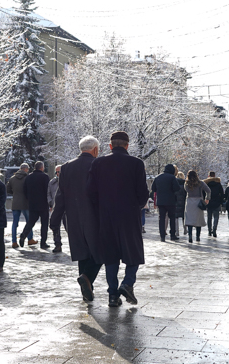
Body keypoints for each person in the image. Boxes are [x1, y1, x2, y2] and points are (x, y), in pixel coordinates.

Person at [87, 131, 149, 307]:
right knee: (134, 253)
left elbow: (90, 191)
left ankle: (113, 295)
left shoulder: (98, 163)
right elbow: (143, 193)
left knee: (111, 257)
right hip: (129, 215)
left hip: (106, 216)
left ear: (110, 145)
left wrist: (101, 207)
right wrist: (135, 206)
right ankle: (128, 283)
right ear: (127, 145)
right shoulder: (136, 164)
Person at [50, 136, 104, 303]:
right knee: (101, 252)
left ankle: (86, 290)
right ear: (95, 149)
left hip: (72, 218)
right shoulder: (99, 165)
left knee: (82, 253)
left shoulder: (66, 167)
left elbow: (61, 196)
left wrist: (55, 219)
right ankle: (87, 277)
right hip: (96, 217)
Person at [20, 161, 51, 249]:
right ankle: (43, 242)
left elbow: (24, 190)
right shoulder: (45, 177)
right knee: (44, 224)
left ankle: (23, 235)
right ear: (42, 168)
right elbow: (47, 190)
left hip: (32, 204)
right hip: (43, 204)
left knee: (31, 221)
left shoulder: (29, 177)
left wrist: (29, 199)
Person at [151, 164, 182, 242]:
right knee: (172, 218)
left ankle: (162, 236)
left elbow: (153, 189)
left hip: (160, 201)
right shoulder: (172, 177)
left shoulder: (158, 177)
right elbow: (177, 188)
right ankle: (172, 235)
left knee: (161, 218)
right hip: (171, 201)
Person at [7, 163, 33, 248]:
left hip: (15, 203)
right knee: (29, 222)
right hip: (25, 203)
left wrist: (15, 194)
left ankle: (14, 241)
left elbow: (8, 189)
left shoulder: (12, 178)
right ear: (26, 169)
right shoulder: (28, 178)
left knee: (15, 223)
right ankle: (30, 239)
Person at [183, 170, 211, 243]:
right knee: (198, 220)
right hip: (198, 202)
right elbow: (208, 190)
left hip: (189, 202)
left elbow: (186, 191)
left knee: (190, 220)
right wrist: (207, 199)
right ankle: (198, 237)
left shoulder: (186, 183)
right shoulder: (200, 183)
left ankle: (190, 236)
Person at [204, 171, 225, 237]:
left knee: (209, 217)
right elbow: (222, 194)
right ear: (214, 176)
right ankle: (214, 229)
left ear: (208, 176)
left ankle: (209, 231)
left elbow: (203, 192)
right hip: (216, 202)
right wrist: (221, 202)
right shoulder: (218, 184)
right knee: (216, 217)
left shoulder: (206, 184)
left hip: (208, 202)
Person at [48, 165, 64, 252]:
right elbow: (48, 193)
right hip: (55, 207)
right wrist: (50, 203)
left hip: (65, 208)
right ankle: (57, 244)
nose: (58, 174)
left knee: (68, 226)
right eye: (56, 172)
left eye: (59, 172)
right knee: (55, 226)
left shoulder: (66, 181)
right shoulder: (52, 182)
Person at [174, 171, 187, 237]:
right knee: (183, 217)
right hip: (184, 202)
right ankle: (185, 229)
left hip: (176, 202)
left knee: (176, 217)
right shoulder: (185, 184)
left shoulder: (175, 184)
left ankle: (177, 231)